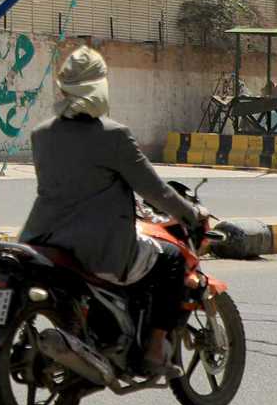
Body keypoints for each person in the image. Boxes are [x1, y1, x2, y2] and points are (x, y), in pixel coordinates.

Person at [20, 46, 208, 379]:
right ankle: (154, 349)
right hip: (99, 250)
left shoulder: (41, 134)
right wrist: (191, 213)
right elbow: (155, 190)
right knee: (171, 259)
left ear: (63, 88)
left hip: (44, 240)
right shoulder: (114, 136)